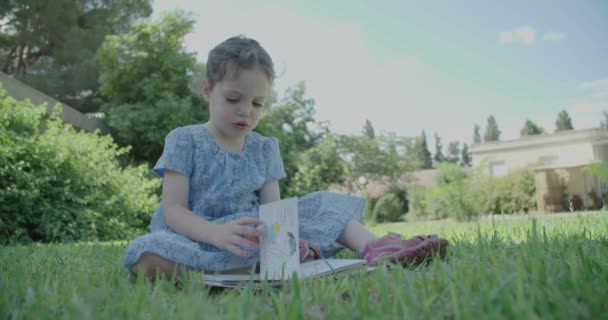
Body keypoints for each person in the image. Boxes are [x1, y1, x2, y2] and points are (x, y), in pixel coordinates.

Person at [124, 35, 448, 280]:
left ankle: (377, 248)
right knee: (145, 253)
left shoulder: (264, 147)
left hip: (255, 234)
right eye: (234, 98)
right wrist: (215, 234)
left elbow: (273, 212)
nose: (245, 111)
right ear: (208, 90)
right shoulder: (185, 139)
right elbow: (175, 210)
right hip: (199, 235)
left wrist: (280, 237)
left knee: (321, 203)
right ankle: (256, 266)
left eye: (257, 104)